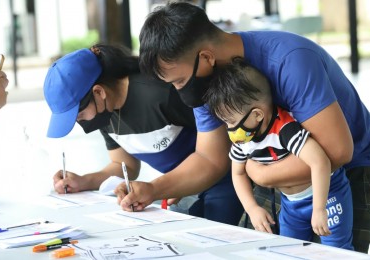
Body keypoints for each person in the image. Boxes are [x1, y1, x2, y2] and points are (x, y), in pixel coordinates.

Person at [135, 2, 370, 253]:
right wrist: (153, 189)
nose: (180, 90)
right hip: (277, 165)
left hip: (345, 169)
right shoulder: (206, 83)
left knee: (334, 253)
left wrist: (262, 175)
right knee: (270, 249)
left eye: (179, 81)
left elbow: (337, 152)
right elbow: (209, 158)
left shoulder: (289, 61)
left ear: (206, 58)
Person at [43, 44, 243, 225]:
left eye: (79, 115)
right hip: (180, 188)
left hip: (226, 182)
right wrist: (84, 181)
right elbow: (124, 165)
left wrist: (156, 188)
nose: (80, 123)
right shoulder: (106, 112)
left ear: (99, 92)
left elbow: (216, 154)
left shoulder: (161, 94)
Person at [205, 57, 353, 249]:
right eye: (225, 123)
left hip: (328, 195)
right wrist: (252, 209)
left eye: (232, 122)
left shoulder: (285, 130)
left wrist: (319, 208)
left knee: (337, 250)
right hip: (291, 205)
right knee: (288, 251)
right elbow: (238, 173)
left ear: (257, 115)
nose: (229, 129)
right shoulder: (244, 140)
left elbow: (320, 162)